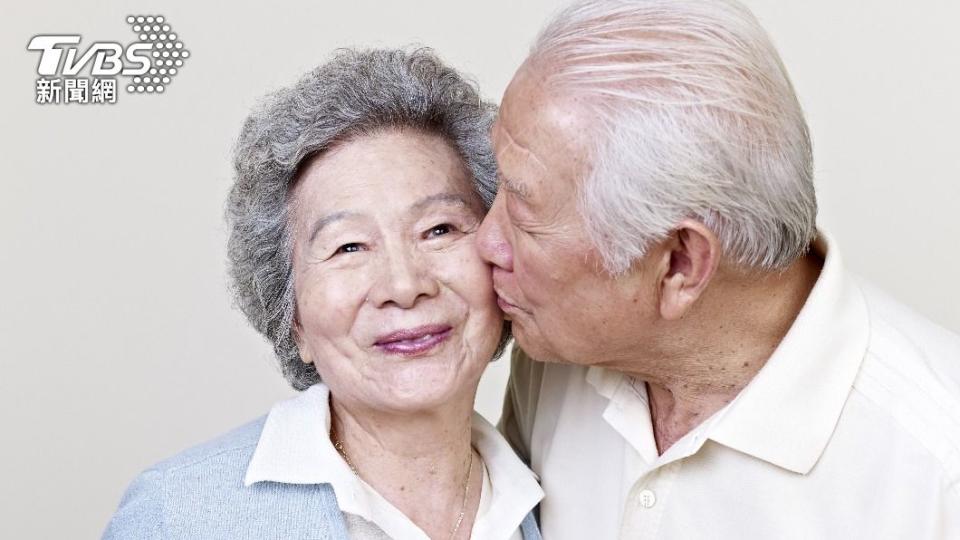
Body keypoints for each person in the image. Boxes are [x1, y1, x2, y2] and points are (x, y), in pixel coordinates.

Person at [476, 0, 960, 538]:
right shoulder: (561, 351)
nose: (485, 241)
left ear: (680, 263)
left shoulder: (939, 471)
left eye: (522, 210)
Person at [103, 48, 542, 540]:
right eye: (348, 246)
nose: (405, 285)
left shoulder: (556, 498)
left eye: (438, 229)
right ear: (292, 320)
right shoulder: (179, 517)